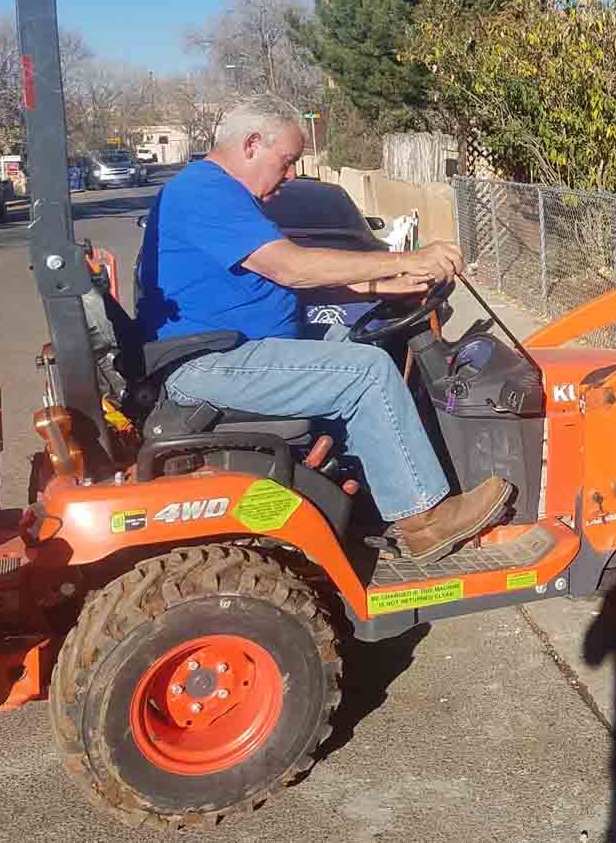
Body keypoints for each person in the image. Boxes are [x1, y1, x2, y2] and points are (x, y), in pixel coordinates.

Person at [136, 94, 508, 562]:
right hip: (210, 363)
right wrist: (407, 258)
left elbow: (294, 285)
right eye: (287, 161)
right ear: (251, 145)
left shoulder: (226, 194)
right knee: (367, 371)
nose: (291, 175)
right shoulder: (202, 192)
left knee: (361, 344)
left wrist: (394, 284)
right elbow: (292, 269)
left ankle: (379, 490)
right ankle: (422, 520)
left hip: (241, 348)